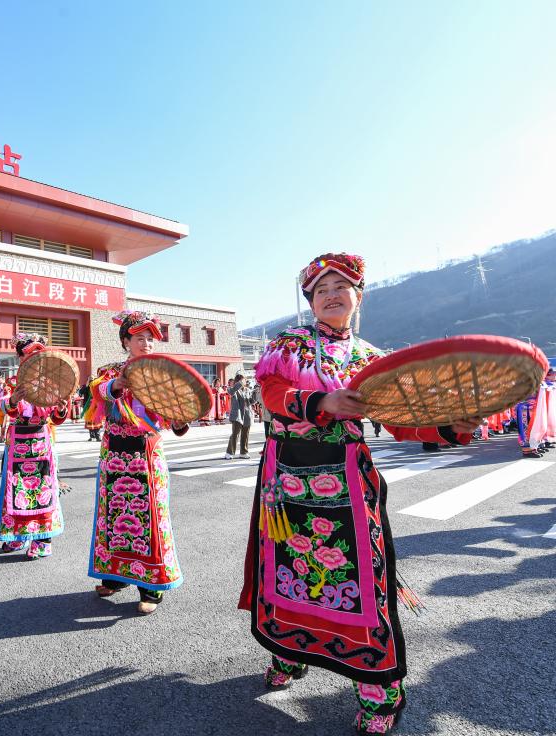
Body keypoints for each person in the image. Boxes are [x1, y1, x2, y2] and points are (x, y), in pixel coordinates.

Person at [238, 253, 481, 734]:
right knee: (286, 569)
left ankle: (378, 688)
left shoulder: (372, 360)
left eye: (341, 287)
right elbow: (271, 393)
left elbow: (400, 421)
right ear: (310, 301)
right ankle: (289, 652)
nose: (331, 295)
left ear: (358, 297)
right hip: (284, 482)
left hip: (348, 480)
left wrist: (450, 427)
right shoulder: (289, 345)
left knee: (363, 578)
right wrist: (321, 400)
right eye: (321, 289)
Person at [85, 310, 188, 615]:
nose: (146, 344)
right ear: (125, 341)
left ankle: (151, 587)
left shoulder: (162, 375)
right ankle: (114, 577)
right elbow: (98, 393)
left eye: (150, 339)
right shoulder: (110, 372)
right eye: (140, 338)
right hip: (115, 456)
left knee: (150, 518)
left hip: (146, 455)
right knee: (113, 516)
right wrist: (118, 385)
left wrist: (180, 418)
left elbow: (175, 417)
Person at [0, 333, 69, 559]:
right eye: (28, 355)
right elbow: (3, 408)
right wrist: (13, 401)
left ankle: (42, 540)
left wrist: (61, 409)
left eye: (38, 355)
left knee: (42, 491)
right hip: (17, 443)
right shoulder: (12, 383)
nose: (34, 360)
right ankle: (18, 535)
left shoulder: (51, 384)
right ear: (20, 358)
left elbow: (55, 418)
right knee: (16, 490)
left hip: (41, 443)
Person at [224, 374, 254, 459]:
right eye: (242, 380)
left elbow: (251, 401)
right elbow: (231, 392)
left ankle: (243, 452)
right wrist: (240, 383)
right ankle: (229, 452)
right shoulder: (232, 389)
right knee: (235, 434)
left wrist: (256, 393)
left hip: (247, 414)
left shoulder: (247, 390)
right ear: (237, 381)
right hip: (237, 415)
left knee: (245, 434)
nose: (244, 382)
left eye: (244, 380)